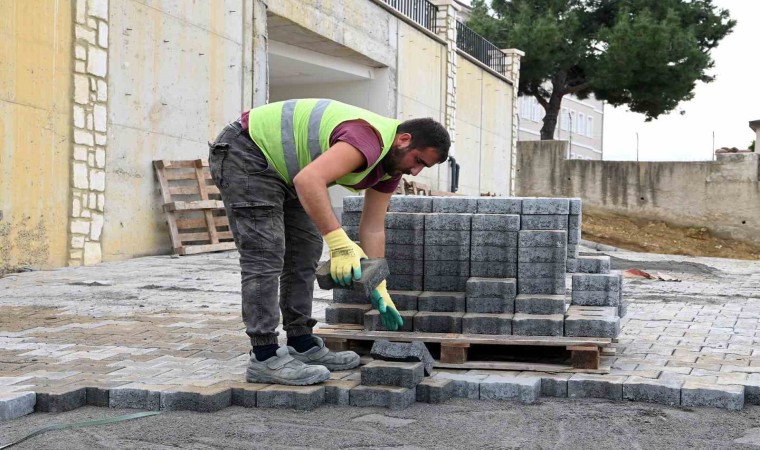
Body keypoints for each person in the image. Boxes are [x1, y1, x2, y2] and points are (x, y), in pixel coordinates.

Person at [208, 99, 451, 386]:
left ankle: (301, 343)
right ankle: (264, 355)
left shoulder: (389, 168)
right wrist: (339, 242)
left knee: (305, 250)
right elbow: (310, 180)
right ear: (404, 140)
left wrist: (379, 284)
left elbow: (373, 227)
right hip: (246, 152)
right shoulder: (368, 140)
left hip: (285, 171)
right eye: (418, 161)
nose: (415, 172)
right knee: (265, 253)